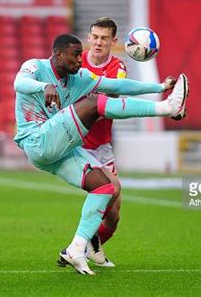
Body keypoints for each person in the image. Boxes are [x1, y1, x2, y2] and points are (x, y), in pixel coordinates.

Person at [14, 33, 188, 275]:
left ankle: (76, 249)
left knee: (105, 187)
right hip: (37, 139)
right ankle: (168, 108)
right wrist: (45, 86)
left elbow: (118, 85)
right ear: (57, 55)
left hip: (59, 150)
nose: (79, 60)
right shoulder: (35, 66)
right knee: (95, 104)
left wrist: (159, 87)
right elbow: (19, 83)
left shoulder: (79, 79)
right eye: (75, 55)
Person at [77, 18, 126, 268]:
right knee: (112, 188)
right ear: (89, 37)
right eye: (95, 36)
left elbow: (114, 92)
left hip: (102, 145)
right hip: (78, 145)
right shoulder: (76, 62)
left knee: (115, 215)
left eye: (104, 38)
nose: (98, 42)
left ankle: (92, 242)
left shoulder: (118, 67)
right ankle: (80, 245)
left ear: (113, 42)